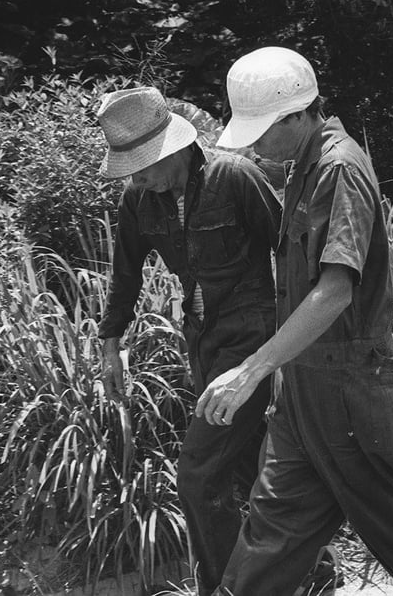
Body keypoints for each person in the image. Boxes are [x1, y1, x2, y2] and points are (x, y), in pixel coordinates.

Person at [194, 47, 393, 596]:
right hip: (303, 389)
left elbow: (334, 293)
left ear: (298, 115)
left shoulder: (339, 168)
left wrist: (251, 370)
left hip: (351, 389)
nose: (253, 145)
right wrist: (278, 373)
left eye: (262, 130)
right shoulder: (300, 167)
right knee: (272, 529)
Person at [95, 86, 281, 593]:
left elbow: (290, 252)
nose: (136, 178)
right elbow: (125, 275)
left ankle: (224, 588)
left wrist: (289, 349)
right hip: (202, 340)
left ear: (172, 149)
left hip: (252, 338)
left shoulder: (235, 176)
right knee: (246, 464)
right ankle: (311, 571)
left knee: (199, 474)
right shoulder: (139, 199)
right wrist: (111, 345)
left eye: (142, 167)